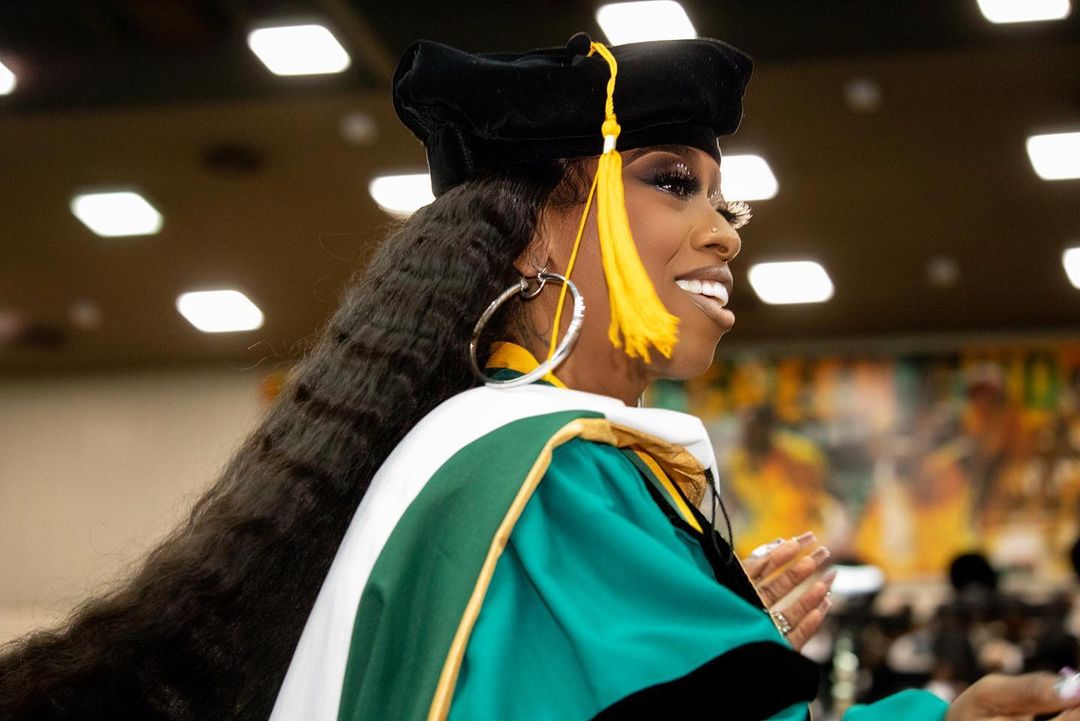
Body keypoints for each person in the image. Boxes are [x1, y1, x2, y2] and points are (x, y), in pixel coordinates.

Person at [2, 31, 1080, 721]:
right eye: (674, 182)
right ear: (541, 229)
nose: (726, 232)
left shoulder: (490, 466)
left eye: (727, 201)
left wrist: (709, 645)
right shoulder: (553, 472)